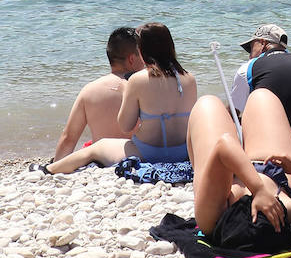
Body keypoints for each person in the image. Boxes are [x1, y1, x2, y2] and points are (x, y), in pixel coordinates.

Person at [44, 22, 198, 174]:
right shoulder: (189, 78)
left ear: (144, 51)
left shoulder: (136, 80)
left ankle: (49, 169)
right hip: (182, 153)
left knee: (97, 147)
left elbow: (125, 125)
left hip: (147, 153)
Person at [187, 89, 291, 246]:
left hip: (228, 174)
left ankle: (235, 127)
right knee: (261, 95)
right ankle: (236, 126)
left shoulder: (213, 218)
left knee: (207, 103)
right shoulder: (289, 209)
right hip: (272, 171)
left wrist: (259, 190)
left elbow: (224, 145)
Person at [53, 27, 144, 161]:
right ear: (132, 59)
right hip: (136, 157)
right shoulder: (144, 88)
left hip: (101, 158)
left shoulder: (89, 90)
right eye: (142, 55)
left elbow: (69, 138)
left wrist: (56, 167)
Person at [230, 22, 291, 148]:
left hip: (277, 143)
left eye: (251, 47)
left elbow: (234, 111)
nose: (249, 54)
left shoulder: (248, 68)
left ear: (263, 43)